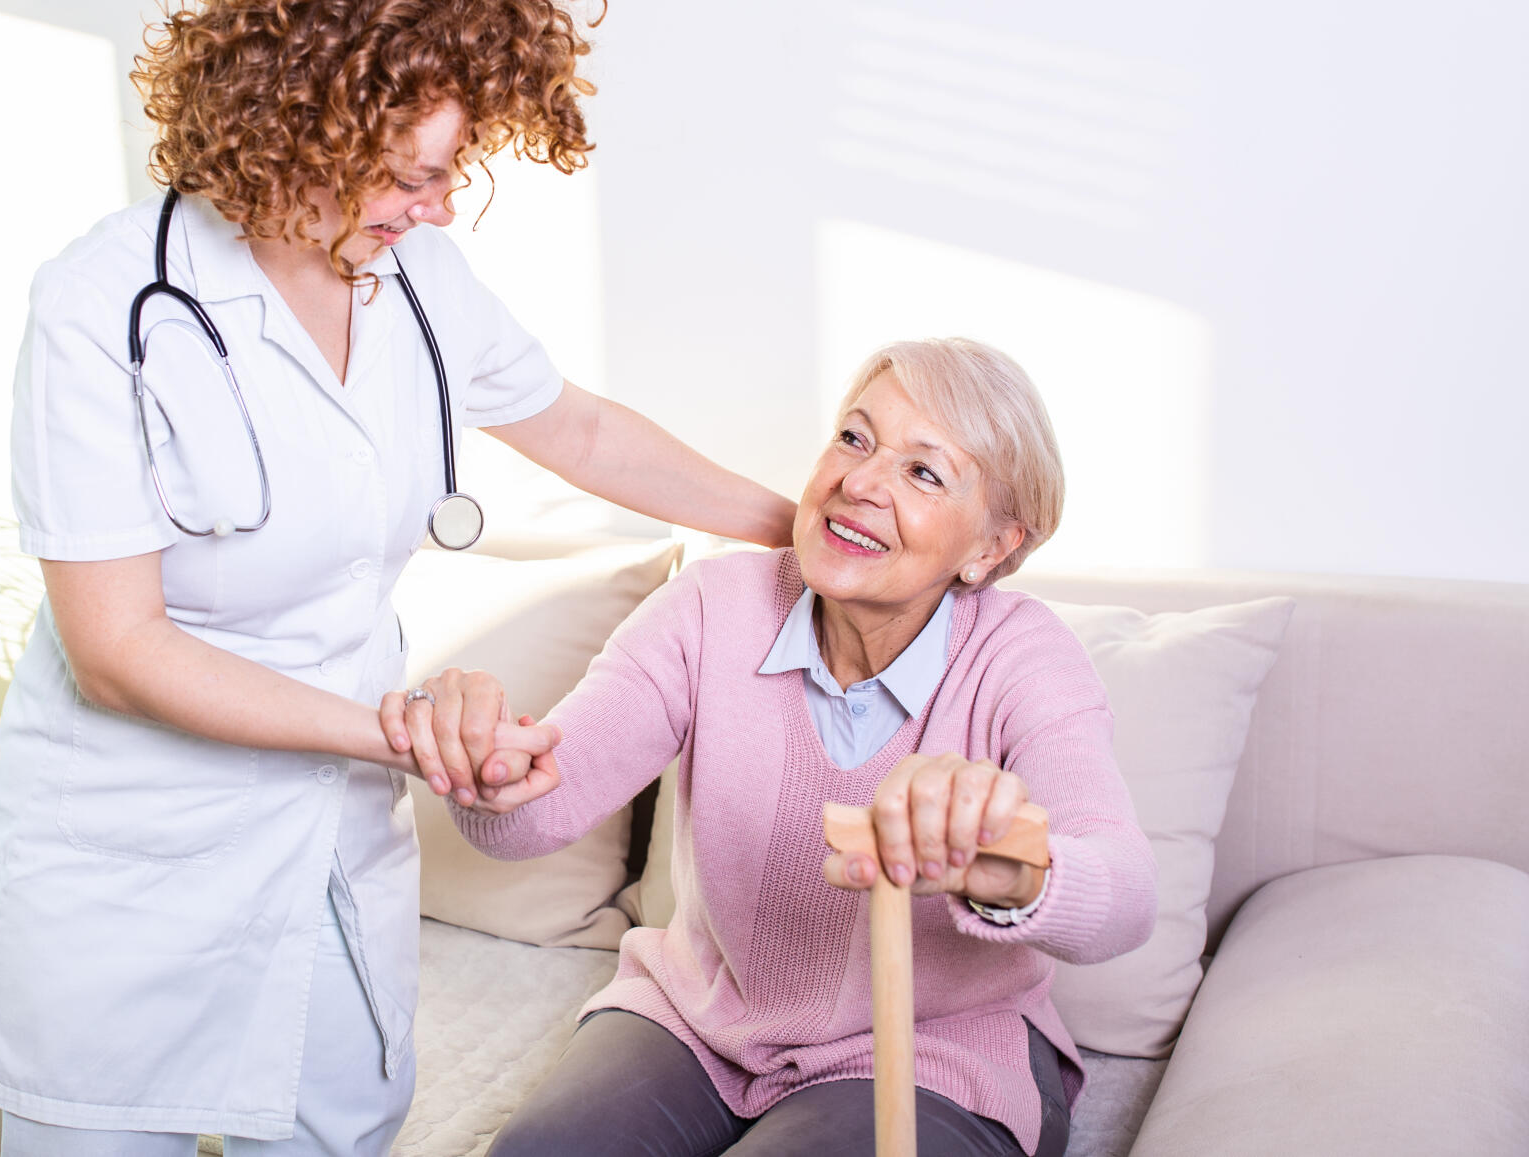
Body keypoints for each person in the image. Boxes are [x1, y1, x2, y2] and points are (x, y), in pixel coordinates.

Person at [0, 0, 795, 1157]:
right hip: (132, 858)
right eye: (411, 173)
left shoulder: (420, 280)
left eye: (453, 173)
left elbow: (576, 428)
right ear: (299, 124)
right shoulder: (107, 309)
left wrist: (803, 527)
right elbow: (119, 653)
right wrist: (391, 734)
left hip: (330, 842)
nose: (439, 206)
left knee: (336, 1131)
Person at [389, 338, 1158, 1156]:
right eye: (855, 439)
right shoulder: (711, 607)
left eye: (924, 472)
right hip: (698, 1019)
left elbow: (1126, 893)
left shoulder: (1022, 656)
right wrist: (484, 769)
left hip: (937, 1048)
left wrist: (1010, 871)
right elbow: (538, 812)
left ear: (992, 547)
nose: (859, 481)